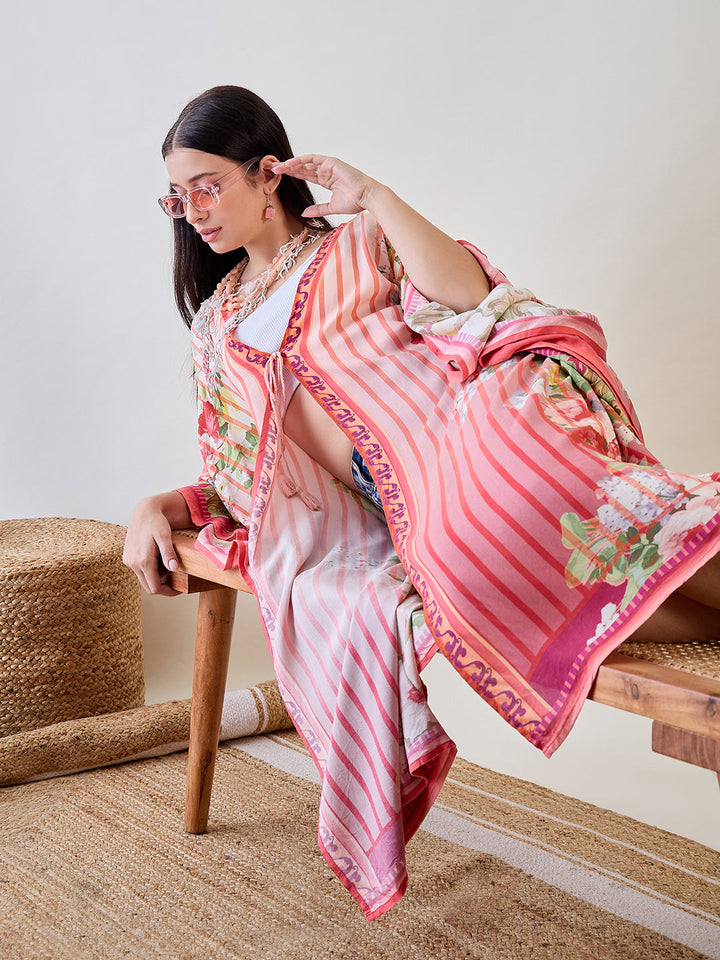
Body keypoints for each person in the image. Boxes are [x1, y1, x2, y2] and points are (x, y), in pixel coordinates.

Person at [123, 85, 720, 919]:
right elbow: (237, 473)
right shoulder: (216, 326)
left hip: (471, 427)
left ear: (268, 175)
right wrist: (161, 503)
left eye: (207, 186)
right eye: (176, 197)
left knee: (519, 517)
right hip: (396, 497)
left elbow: (469, 294)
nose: (192, 212)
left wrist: (376, 196)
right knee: (466, 573)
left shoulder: (356, 243)